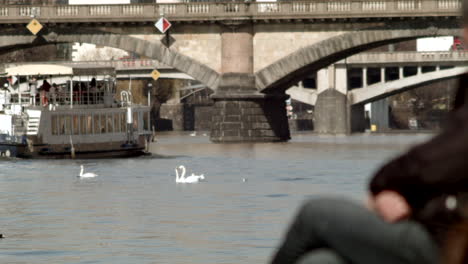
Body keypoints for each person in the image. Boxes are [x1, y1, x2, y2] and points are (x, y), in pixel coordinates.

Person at [270, 3, 468, 263]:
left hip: (450, 239)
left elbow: (446, 154)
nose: (463, 36)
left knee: (316, 213)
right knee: (322, 261)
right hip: (443, 224)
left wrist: (388, 184)